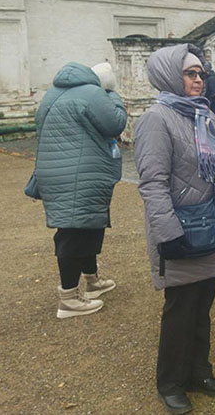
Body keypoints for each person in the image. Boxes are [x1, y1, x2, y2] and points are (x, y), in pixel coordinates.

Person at [134, 43, 215, 414]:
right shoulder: (156, 119)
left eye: (200, 73)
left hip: (212, 229)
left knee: (202, 307)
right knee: (181, 309)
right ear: (171, 75)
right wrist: (167, 232)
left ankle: (200, 372)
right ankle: (170, 382)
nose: (199, 79)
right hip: (183, 232)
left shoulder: (204, 115)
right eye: (190, 73)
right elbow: (152, 182)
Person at [34, 61, 127, 318]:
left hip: (55, 170)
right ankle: (69, 299)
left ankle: (92, 280)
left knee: (83, 225)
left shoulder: (52, 93)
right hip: (81, 171)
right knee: (75, 232)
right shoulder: (93, 93)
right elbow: (115, 124)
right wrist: (112, 95)